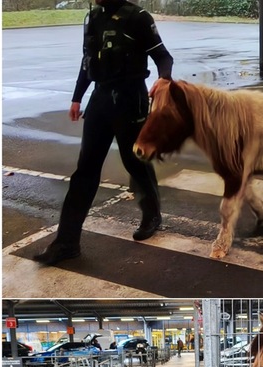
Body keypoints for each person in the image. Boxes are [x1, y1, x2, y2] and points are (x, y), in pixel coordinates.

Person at [33, 0, 173, 265]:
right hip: (100, 99)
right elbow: (88, 61)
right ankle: (66, 243)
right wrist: (77, 97)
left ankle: (152, 214)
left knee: (135, 162)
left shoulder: (139, 18)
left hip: (131, 98)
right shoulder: (93, 17)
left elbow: (163, 56)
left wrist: (164, 79)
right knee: (85, 170)